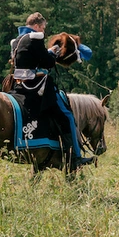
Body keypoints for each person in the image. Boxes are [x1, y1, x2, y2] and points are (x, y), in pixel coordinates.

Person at [10, 12, 94, 171]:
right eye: (42, 28)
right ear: (36, 26)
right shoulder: (35, 38)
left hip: (19, 86)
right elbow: (46, 63)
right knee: (67, 115)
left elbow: (28, 60)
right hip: (36, 86)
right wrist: (52, 52)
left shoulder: (16, 41)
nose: (43, 32)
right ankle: (75, 156)